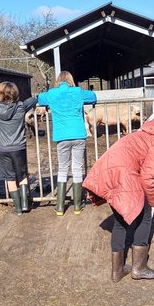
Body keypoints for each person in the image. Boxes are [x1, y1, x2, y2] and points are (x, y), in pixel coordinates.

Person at [83, 119, 154, 282]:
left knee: (120, 221)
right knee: (145, 217)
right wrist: (153, 202)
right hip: (124, 174)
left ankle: (117, 271)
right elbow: (148, 178)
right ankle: (139, 268)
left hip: (110, 170)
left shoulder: (151, 134)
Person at [36, 71, 97, 215]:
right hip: (78, 135)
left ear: (58, 81)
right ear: (71, 80)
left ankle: (60, 207)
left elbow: (39, 98)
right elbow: (93, 96)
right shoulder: (77, 92)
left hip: (62, 136)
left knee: (63, 169)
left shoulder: (51, 93)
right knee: (77, 168)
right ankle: (77, 206)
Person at [0, 81, 38, 214]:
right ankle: (25, 204)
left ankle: (17, 207)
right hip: (19, 147)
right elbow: (32, 100)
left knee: (9, 177)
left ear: (0, 95)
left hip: (4, 148)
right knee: (22, 174)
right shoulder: (20, 106)